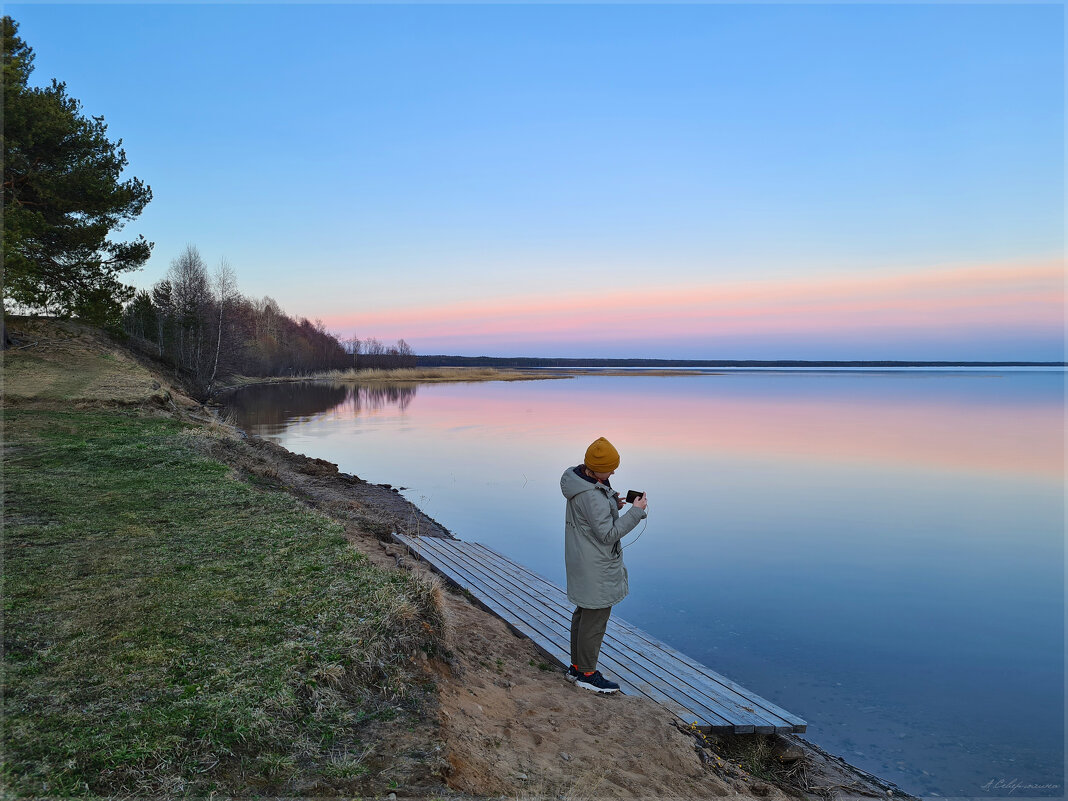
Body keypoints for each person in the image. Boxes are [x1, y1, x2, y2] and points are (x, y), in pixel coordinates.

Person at [560, 436, 648, 693]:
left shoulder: (582, 482)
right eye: (610, 468)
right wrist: (636, 511)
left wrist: (613, 503)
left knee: (583, 613)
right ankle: (587, 674)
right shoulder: (592, 495)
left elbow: (593, 518)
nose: (613, 472)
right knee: (595, 619)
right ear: (595, 469)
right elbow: (608, 534)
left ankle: (576, 668)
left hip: (582, 559)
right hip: (595, 565)